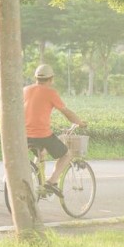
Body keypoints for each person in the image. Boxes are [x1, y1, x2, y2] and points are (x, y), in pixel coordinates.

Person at [24, 64, 87, 196]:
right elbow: (66, 112)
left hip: (24, 135)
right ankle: (51, 183)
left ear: (35, 78)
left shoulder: (25, 90)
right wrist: (79, 122)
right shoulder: (50, 92)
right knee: (67, 154)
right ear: (51, 79)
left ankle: (38, 182)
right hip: (42, 135)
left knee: (42, 153)